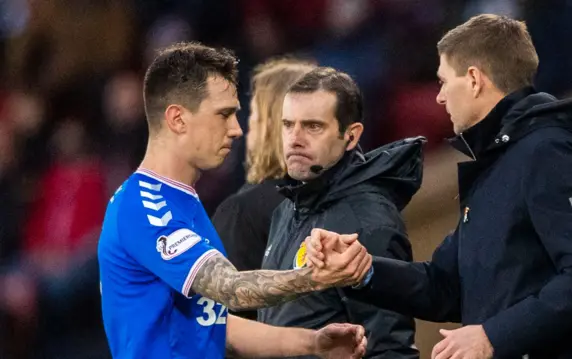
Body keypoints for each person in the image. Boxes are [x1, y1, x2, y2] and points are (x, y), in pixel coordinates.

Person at [306, 14, 572, 359]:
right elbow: (444, 287)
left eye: (444, 81)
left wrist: (492, 336)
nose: (440, 97)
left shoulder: (547, 151)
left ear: (474, 79)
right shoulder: (497, 162)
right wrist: (364, 269)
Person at [97, 42, 370, 359]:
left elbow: (215, 325)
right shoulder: (146, 207)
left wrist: (312, 343)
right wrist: (313, 276)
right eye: (224, 115)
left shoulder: (181, 202)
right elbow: (230, 288)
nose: (236, 130)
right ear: (178, 119)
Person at [257, 66, 423, 359]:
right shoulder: (285, 211)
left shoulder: (369, 222)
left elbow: (390, 349)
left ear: (351, 136)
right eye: (287, 124)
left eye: (313, 126)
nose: (294, 139)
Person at [211, 58, 316, 321]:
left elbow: (225, 326)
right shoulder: (356, 197)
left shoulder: (242, 213)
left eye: (254, 115)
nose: (244, 129)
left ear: (271, 126)